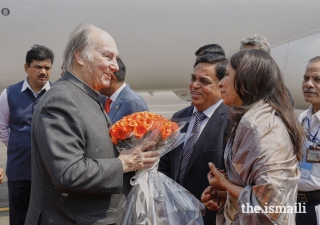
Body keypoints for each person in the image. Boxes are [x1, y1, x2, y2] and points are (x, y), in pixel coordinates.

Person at [25, 23, 159, 225]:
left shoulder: (85, 96)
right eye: (108, 56)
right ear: (79, 56)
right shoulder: (61, 100)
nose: (115, 66)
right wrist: (124, 163)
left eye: (115, 58)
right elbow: (68, 172)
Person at [201, 49, 304, 225]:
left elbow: (271, 207)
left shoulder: (264, 130)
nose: (221, 83)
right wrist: (226, 195)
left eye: (226, 75)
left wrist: (226, 185)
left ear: (245, 82)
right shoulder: (251, 122)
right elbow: (255, 187)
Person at [159, 54, 230, 225]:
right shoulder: (179, 118)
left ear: (221, 85)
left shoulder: (231, 121)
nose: (194, 86)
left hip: (210, 215)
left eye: (204, 81)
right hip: (175, 213)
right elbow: (165, 164)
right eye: (193, 79)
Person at [0, 44, 54, 225]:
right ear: (26, 67)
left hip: (51, 172)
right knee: (19, 218)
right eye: (38, 67)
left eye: (47, 67)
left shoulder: (57, 94)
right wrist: (19, 144)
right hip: (20, 171)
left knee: (49, 218)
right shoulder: (9, 94)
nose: (43, 72)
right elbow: (2, 127)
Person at [296, 56, 320, 225]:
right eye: (306, 78)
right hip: (297, 203)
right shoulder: (302, 119)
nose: (308, 84)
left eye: (317, 79)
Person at [240, 34, 294, 106]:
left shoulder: (278, 92)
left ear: (265, 59)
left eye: (252, 56)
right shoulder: (234, 85)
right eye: (241, 55)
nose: (245, 59)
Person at [99, 57, 148, 123]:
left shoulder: (133, 102)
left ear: (112, 79)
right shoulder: (102, 98)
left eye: (99, 77)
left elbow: (140, 132)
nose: (94, 81)